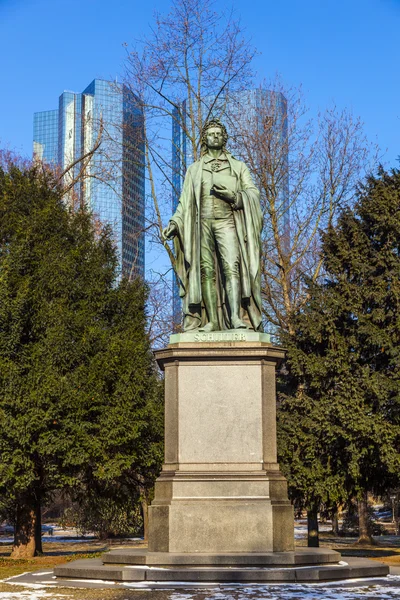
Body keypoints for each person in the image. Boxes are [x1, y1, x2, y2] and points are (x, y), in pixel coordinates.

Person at [163, 118, 263, 333]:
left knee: (231, 269)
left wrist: (234, 196)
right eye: (211, 134)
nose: (215, 137)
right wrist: (174, 223)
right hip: (202, 225)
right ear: (205, 140)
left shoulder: (238, 167)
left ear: (224, 138)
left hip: (227, 222)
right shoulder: (195, 170)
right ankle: (212, 322)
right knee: (206, 271)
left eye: (219, 134)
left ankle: (236, 318)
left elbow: (253, 194)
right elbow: (185, 202)